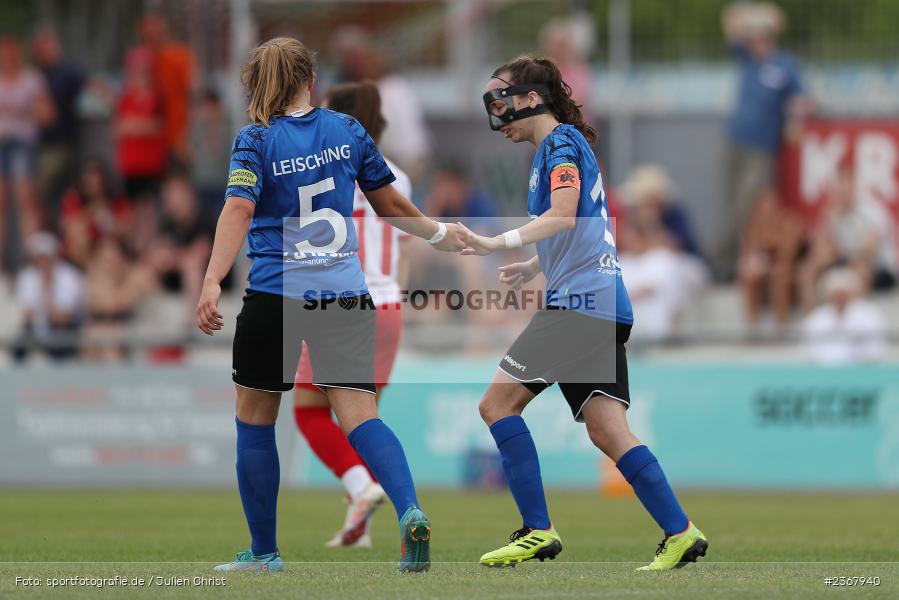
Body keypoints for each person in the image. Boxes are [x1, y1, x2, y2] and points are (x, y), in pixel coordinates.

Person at [195, 37, 465, 573]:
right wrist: (437, 235)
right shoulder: (348, 130)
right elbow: (389, 203)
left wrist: (211, 280)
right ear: (309, 80)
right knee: (359, 415)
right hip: (344, 294)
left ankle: (264, 553)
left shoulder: (254, 139)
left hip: (276, 293)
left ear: (258, 84)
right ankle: (410, 510)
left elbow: (237, 210)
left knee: (255, 420)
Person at [457, 55, 708, 571]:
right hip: (603, 303)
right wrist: (533, 264)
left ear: (531, 98)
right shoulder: (559, 147)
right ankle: (681, 532)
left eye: (502, 99)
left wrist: (495, 242)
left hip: (580, 305)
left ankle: (537, 531)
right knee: (608, 430)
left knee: (496, 407)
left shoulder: (560, 144)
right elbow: (579, 226)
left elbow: (565, 213)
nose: (497, 112)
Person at [291, 80, 413, 548]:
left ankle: (362, 489)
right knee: (363, 424)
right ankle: (362, 526)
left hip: (339, 304)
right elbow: (403, 246)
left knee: (309, 414)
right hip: (388, 305)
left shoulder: (322, 172)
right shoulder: (398, 175)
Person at [715, 2, 812, 280]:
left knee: (745, 205)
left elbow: (802, 99)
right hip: (735, 140)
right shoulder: (747, 57)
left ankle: (717, 255)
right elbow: (730, 19)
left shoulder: (784, 65)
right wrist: (756, 14)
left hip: (762, 148)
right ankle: (730, 264)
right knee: (730, 203)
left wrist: (795, 121)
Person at [798, 167, 897, 312]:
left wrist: (839, 255)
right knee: (809, 268)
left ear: (854, 188)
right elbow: (820, 248)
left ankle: (855, 322)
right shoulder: (834, 214)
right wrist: (827, 217)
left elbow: (868, 250)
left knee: (860, 267)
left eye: (845, 188)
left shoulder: (873, 211)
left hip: (881, 269)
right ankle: (814, 321)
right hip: (847, 261)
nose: (841, 193)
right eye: (838, 189)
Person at [0, 37, 55, 269]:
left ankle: (29, 261)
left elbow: (48, 115)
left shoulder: (31, 80)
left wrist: (21, 110)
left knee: (25, 200)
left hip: (22, 142)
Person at [31, 27, 86, 216]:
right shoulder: (36, 74)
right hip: (40, 143)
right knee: (46, 194)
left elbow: (93, 89)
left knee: (46, 188)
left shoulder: (69, 72)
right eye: (39, 48)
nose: (43, 51)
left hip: (63, 142)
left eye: (46, 46)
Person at [12, 232, 83, 361]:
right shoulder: (27, 276)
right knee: (19, 344)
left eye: (46, 257)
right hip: (37, 328)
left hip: (64, 330)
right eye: (39, 257)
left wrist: (46, 290)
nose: (43, 262)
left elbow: (63, 318)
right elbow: (27, 316)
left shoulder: (71, 277)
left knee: (60, 340)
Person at [738, 187, 804, 327]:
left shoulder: (788, 222)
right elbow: (750, 250)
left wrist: (770, 246)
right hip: (763, 266)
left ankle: (782, 325)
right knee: (748, 274)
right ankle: (752, 324)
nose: (766, 210)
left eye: (770, 205)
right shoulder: (754, 224)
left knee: (780, 276)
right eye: (763, 206)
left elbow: (789, 252)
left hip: (784, 267)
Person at [58, 158, 133, 269]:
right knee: (80, 237)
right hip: (82, 255)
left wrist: (105, 216)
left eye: (99, 183)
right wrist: (92, 212)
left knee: (111, 246)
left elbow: (125, 228)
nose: (94, 188)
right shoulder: (73, 200)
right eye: (90, 184)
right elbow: (71, 227)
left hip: (108, 249)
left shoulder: (118, 202)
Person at [801, 268, 887, 365]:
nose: (840, 298)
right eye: (836, 294)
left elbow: (876, 348)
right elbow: (809, 352)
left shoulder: (869, 315)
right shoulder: (816, 318)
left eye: (843, 294)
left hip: (861, 372)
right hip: (825, 373)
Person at [115, 49, 166, 201]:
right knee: (132, 206)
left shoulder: (156, 98)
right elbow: (119, 128)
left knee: (149, 204)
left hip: (151, 164)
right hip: (130, 164)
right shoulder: (125, 98)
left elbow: (158, 126)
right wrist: (142, 126)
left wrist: (133, 125)